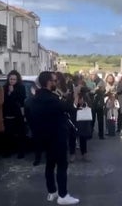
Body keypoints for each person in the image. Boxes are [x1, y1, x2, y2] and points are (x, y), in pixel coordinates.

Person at [28, 71, 79, 205]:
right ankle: (63, 195)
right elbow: (71, 109)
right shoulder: (51, 99)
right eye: (55, 81)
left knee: (50, 165)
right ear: (49, 82)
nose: (56, 83)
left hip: (43, 137)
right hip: (57, 136)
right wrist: (76, 95)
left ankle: (52, 192)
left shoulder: (35, 97)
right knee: (62, 165)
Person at [2, 70, 26, 159]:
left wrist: (12, 92)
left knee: (20, 134)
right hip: (7, 113)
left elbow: (21, 99)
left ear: (17, 80)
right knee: (7, 134)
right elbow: (4, 101)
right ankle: (7, 151)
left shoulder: (21, 88)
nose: (12, 81)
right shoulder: (5, 87)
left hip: (17, 113)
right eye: (10, 79)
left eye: (14, 79)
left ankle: (21, 152)